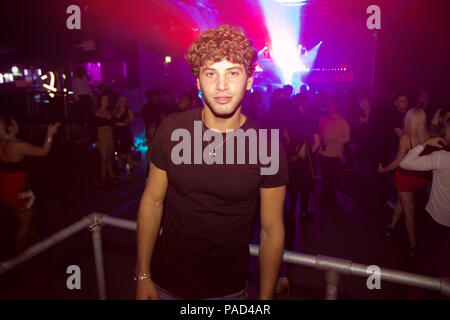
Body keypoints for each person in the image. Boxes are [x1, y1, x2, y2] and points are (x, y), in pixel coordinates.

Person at [135, 25, 288, 300]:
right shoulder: (172, 130)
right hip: (164, 283)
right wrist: (142, 274)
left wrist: (265, 301)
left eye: (233, 73)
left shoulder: (267, 145)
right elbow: (152, 201)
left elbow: (271, 229)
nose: (221, 86)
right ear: (198, 82)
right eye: (210, 73)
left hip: (226, 291)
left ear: (249, 79)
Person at [400, 127, 450, 298]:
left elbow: (406, 163)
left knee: (424, 262)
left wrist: (426, 143)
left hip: (435, 219)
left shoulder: (441, 158)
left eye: (448, 131)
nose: (445, 133)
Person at [0, 114, 60, 254]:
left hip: (5, 188)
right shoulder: (16, 145)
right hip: (18, 191)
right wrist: (50, 134)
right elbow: (44, 152)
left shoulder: (2, 144)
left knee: (26, 216)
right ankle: (19, 261)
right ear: (10, 128)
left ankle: (36, 241)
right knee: (24, 225)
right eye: (15, 123)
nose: (18, 125)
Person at [378, 108, 430, 258]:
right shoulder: (429, 136)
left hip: (405, 177)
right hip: (420, 178)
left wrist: (384, 169)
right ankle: (391, 225)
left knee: (409, 211)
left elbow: (398, 161)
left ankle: (413, 244)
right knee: (402, 203)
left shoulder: (406, 138)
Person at [318, 96, 350, 204]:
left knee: (333, 177)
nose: (330, 106)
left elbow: (347, 138)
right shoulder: (323, 118)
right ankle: (325, 196)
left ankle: (332, 197)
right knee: (325, 176)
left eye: (333, 104)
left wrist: (333, 140)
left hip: (334, 154)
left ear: (337, 105)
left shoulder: (342, 121)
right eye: (329, 104)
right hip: (323, 153)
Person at [94, 94, 117, 187]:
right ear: (100, 101)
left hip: (110, 136)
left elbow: (113, 124)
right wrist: (95, 141)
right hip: (101, 136)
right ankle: (112, 176)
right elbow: (93, 128)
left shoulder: (110, 112)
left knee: (108, 158)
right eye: (103, 100)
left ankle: (103, 178)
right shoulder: (97, 113)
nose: (105, 101)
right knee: (104, 158)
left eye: (107, 100)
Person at [113, 95, 135, 179]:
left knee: (127, 152)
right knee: (119, 153)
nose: (122, 102)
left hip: (125, 132)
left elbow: (132, 122)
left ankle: (131, 170)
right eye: (120, 100)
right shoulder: (115, 111)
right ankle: (120, 170)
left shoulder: (128, 111)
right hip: (117, 132)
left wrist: (128, 120)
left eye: (123, 100)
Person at [71, 66, 94, 133]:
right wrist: (76, 99)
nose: (82, 73)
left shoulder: (84, 78)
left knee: (88, 112)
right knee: (82, 112)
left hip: (86, 96)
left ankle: (88, 125)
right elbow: (74, 89)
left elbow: (88, 88)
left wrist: (91, 96)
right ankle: (82, 126)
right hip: (80, 97)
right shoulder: (75, 79)